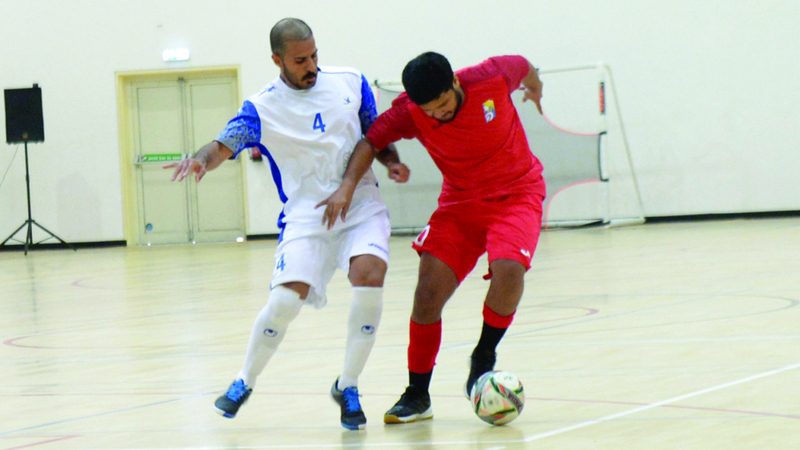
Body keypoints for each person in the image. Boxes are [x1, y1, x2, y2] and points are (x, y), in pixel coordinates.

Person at [166, 18, 409, 430]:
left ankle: (348, 385)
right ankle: (244, 380)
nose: (311, 66)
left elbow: (374, 134)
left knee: (370, 278)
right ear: (277, 60)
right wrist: (200, 160)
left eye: (314, 55)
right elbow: (223, 145)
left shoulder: (350, 81)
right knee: (283, 303)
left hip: (360, 206)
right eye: (300, 60)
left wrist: (392, 161)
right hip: (306, 217)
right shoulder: (261, 108)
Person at [318, 51, 545, 424]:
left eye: (443, 104)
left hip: (516, 194)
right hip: (460, 205)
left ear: (455, 82)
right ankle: (417, 395)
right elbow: (370, 142)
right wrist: (347, 186)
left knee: (509, 269)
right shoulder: (410, 112)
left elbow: (525, 67)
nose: (438, 114)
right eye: (431, 111)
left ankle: (483, 357)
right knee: (426, 294)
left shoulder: (492, 75)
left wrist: (535, 88)